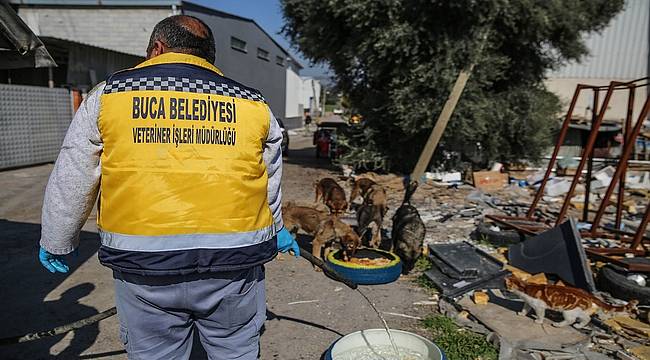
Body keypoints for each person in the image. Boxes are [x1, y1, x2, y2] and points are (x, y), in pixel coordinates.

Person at [37, 15, 299, 359]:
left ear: (157, 49)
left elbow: (74, 173)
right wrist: (277, 228)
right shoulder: (253, 104)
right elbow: (269, 179)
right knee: (234, 350)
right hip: (234, 262)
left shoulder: (111, 94)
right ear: (208, 58)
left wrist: (57, 239)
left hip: (145, 266)